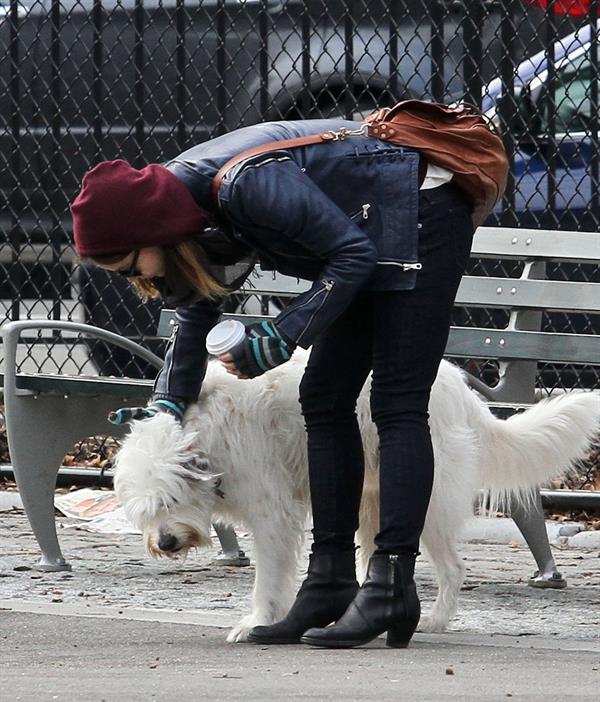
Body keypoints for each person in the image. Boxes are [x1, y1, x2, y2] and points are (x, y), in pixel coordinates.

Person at [71, 116, 479, 649]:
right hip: (363, 231)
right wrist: (166, 409)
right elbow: (195, 315)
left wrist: (280, 336)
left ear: (151, 233)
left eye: (129, 266)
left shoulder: (243, 186)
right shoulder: (189, 215)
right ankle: (330, 580)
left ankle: (392, 585)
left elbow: (351, 254)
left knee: (397, 401)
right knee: (323, 395)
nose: (137, 280)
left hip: (419, 208)